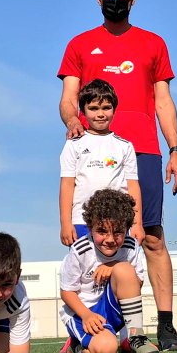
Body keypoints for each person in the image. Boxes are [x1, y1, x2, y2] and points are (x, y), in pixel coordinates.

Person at [58, 0, 177, 351]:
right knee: (87, 240)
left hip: (143, 149)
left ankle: (164, 326)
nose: (115, 0)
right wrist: (71, 122)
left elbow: (163, 100)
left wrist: (175, 149)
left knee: (151, 237)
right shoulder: (80, 44)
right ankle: (80, 328)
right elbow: (68, 98)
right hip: (93, 153)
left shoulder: (154, 43)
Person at [60, 189, 158, 353]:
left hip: (112, 310)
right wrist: (87, 315)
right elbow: (67, 292)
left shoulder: (130, 246)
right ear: (90, 228)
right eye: (102, 231)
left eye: (118, 232)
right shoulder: (80, 250)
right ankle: (77, 346)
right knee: (107, 349)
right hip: (84, 312)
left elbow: (137, 282)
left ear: (127, 228)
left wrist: (114, 266)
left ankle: (136, 336)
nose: (110, 239)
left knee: (125, 269)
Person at [60, 79, 142, 246]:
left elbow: (132, 186)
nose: (100, 114)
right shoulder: (73, 144)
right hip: (82, 221)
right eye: (93, 108)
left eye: (106, 108)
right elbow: (67, 185)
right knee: (85, 270)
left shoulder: (125, 146)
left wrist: (137, 223)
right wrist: (66, 223)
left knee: (119, 270)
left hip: (117, 221)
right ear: (82, 111)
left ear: (114, 110)